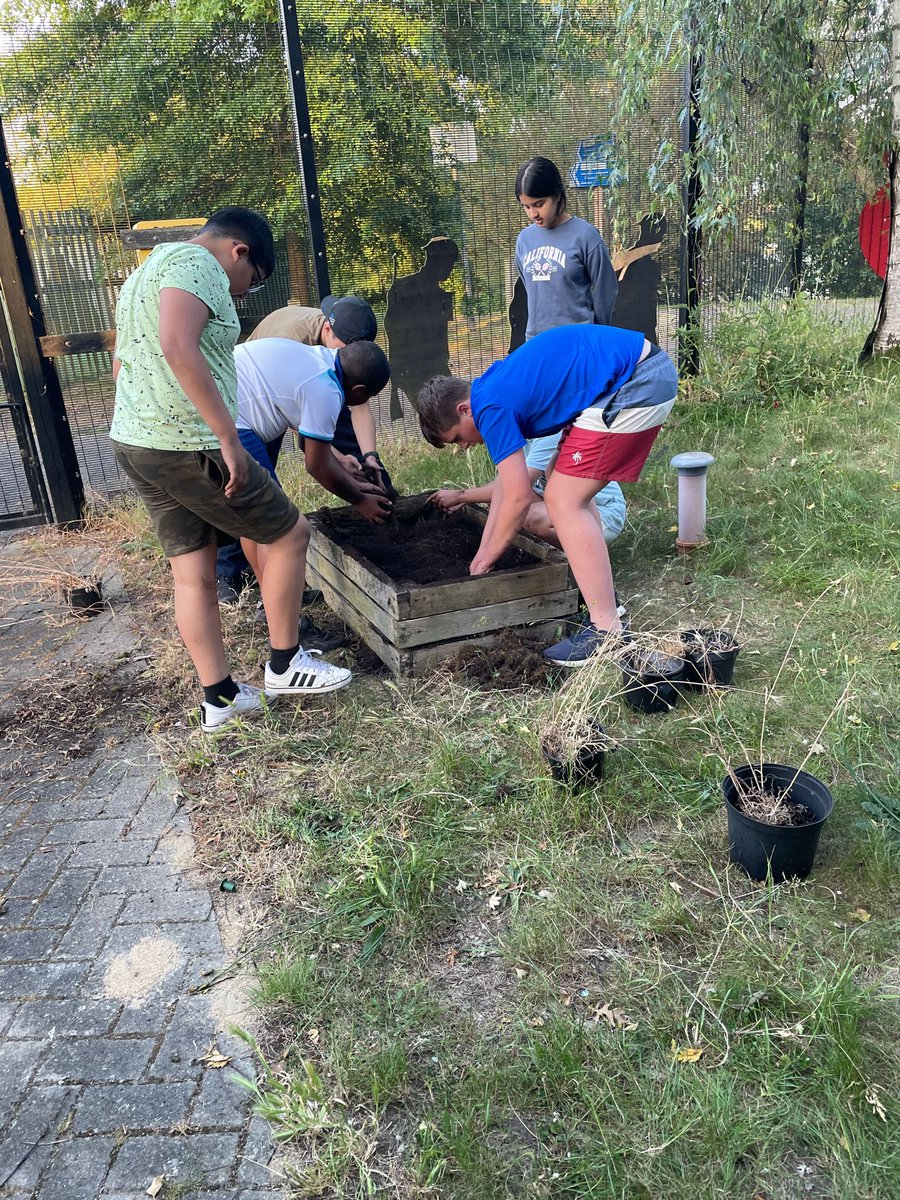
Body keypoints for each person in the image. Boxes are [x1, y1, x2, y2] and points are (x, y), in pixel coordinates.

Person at [109, 206, 352, 734]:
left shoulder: (143, 274)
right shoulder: (199, 266)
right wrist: (226, 437)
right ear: (238, 251)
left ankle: (220, 697)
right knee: (290, 533)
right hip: (187, 440)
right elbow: (177, 345)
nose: (245, 293)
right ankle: (286, 662)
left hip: (139, 439)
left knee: (191, 572)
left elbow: (124, 361)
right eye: (252, 278)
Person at [417, 323, 678, 665]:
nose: (465, 445)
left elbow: (518, 498)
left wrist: (489, 557)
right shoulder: (492, 390)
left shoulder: (489, 407)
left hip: (637, 380)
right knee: (561, 487)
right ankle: (605, 602)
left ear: (463, 410)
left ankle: (607, 632)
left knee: (563, 500)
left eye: (457, 438)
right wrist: (481, 555)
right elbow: (505, 490)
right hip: (628, 378)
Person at [216, 294, 390, 601]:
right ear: (359, 390)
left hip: (231, 410)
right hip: (232, 421)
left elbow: (313, 438)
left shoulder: (318, 360)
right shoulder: (324, 386)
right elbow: (316, 465)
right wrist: (359, 499)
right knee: (279, 524)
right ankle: (277, 604)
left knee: (258, 519)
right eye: (365, 397)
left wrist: (359, 464)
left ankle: (272, 594)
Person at [429, 433, 627, 546]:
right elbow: (503, 486)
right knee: (503, 507)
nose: (463, 446)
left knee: (529, 517)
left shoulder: (548, 433)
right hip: (560, 503)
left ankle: (577, 562)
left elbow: (516, 489)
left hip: (602, 514)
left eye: (457, 438)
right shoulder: (514, 435)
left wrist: (461, 495)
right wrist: (464, 499)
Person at [514, 155, 618, 340]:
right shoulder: (524, 240)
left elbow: (606, 291)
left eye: (539, 204)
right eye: (526, 207)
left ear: (557, 195)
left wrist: (598, 336)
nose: (533, 214)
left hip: (579, 342)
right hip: (537, 344)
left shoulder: (586, 236)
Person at [384, 236, 459, 419]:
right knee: (440, 414)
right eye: (448, 262)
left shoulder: (439, 294)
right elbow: (393, 329)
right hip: (413, 367)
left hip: (433, 364)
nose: (450, 269)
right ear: (435, 260)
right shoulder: (404, 288)